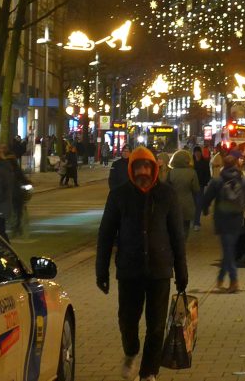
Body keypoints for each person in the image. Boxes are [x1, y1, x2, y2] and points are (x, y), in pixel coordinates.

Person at [96, 146, 188, 381]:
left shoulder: (167, 195)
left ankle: (149, 372)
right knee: (127, 320)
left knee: (156, 326)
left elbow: (177, 235)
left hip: (160, 269)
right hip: (129, 269)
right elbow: (106, 234)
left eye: (147, 167)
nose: (143, 172)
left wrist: (181, 271)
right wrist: (101, 270)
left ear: (155, 169)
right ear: (131, 169)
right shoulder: (119, 195)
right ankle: (131, 352)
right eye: (138, 167)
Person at [201, 155, 245, 292]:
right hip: (236, 219)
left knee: (228, 250)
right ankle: (221, 278)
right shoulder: (243, 180)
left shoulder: (218, 180)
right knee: (229, 249)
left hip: (222, 219)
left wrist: (205, 210)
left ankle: (233, 281)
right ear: (236, 165)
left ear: (223, 165)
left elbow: (207, 197)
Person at [166, 149, 200, 236]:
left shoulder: (170, 173)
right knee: (185, 228)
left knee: (174, 228)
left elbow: (167, 189)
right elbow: (196, 189)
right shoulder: (192, 173)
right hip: (187, 204)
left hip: (173, 204)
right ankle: (183, 245)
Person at [192, 145, 212, 230]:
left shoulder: (205, 162)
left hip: (200, 185)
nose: (197, 154)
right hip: (191, 186)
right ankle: (193, 220)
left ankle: (196, 222)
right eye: (196, 152)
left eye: (198, 152)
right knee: (193, 204)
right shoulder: (190, 162)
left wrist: (205, 182)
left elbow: (208, 174)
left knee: (198, 204)